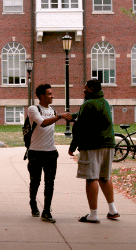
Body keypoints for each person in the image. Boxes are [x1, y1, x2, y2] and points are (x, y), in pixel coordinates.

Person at [68, 79, 120, 223]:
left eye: (85, 87)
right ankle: (112, 210)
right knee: (105, 176)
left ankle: (93, 214)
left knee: (91, 178)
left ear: (91, 88)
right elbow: (90, 117)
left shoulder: (88, 104)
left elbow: (80, 127)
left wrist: (72, 146)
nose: (83, 89)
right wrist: (72, 115)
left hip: (92, 145)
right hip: (108, 144)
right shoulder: (104, 102)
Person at [27, 83, 70, 223]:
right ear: (41, 96)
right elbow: (43, 123)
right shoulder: (33, 109)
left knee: (50, 183)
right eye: (49, 94)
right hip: (35, 152)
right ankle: (33, 201)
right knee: (35, 181)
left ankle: (46, 211)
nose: (52, 96)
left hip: (51, 152)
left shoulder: (53, 110)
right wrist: (60, 117)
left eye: (52, 93)